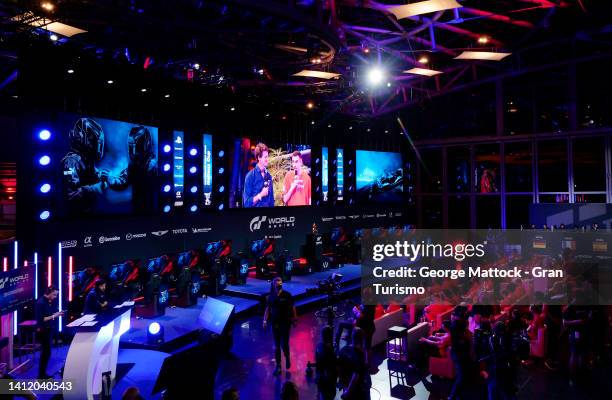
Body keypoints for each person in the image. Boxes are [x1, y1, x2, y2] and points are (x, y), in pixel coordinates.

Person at [61, 117, 108, 216]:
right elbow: (71, 194)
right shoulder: (71, 161)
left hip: (89, 213)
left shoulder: (86, 160)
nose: (96, 146)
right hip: (75, 218)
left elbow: (91, 174)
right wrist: (96, 187)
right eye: (93, 141)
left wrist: (101, 175)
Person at [108, 125, 158, 214]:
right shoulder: (135, 164)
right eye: (131, 147)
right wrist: (111, 180)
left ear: (146, 144)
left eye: (137, 147)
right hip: (137, 212)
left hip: (152, 213)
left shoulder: (152, 165)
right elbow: (124, 181)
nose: (134, 151)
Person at [263, 277, 297, 375]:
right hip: (275, 324)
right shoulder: (270, 297)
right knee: (276, 346)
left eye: (280, 284)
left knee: (284, 344)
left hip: (285, 323)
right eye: (277, 284)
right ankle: (278, 366)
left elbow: (293, 307)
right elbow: (268, 309)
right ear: (274, 285)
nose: (279, 285)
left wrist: (295, 319)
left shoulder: (287, 295)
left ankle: (287, 357)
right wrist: (264, 320)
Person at [35, 285, 64, 379]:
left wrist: (57, 314)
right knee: (45, 353)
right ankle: (41, 375)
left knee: (47, 353)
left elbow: (49, 315)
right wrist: (54, 316)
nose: (55, 297)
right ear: (49, 293)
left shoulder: (48, 302)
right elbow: (42, 319)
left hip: (48, 329)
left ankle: (43, 374)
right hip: (43, 331)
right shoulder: (41, 303)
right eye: (54, 294)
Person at [338, 327, 371, 400]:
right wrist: (348, 391)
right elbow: (355, 376)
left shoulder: (344, 349)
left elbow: (339, 367)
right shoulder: (359, 355)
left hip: (346, 386)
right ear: (361, 340)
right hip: (357, 391)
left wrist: (342, 384)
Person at [243, 142, 274, 207]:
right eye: (265, 157)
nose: (267, 159)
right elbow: (246, 203)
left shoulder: (268, 176)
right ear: (258, 158)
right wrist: (261, 195)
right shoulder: (250, 176)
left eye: (267, 157)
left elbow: (271, 201)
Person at [316, 326, 338, 400]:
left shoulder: (318, 347)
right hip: (328, 383)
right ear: (330, 337)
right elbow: (333, 368)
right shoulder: (330, 353)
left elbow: (318, 365)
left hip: (320, 378)